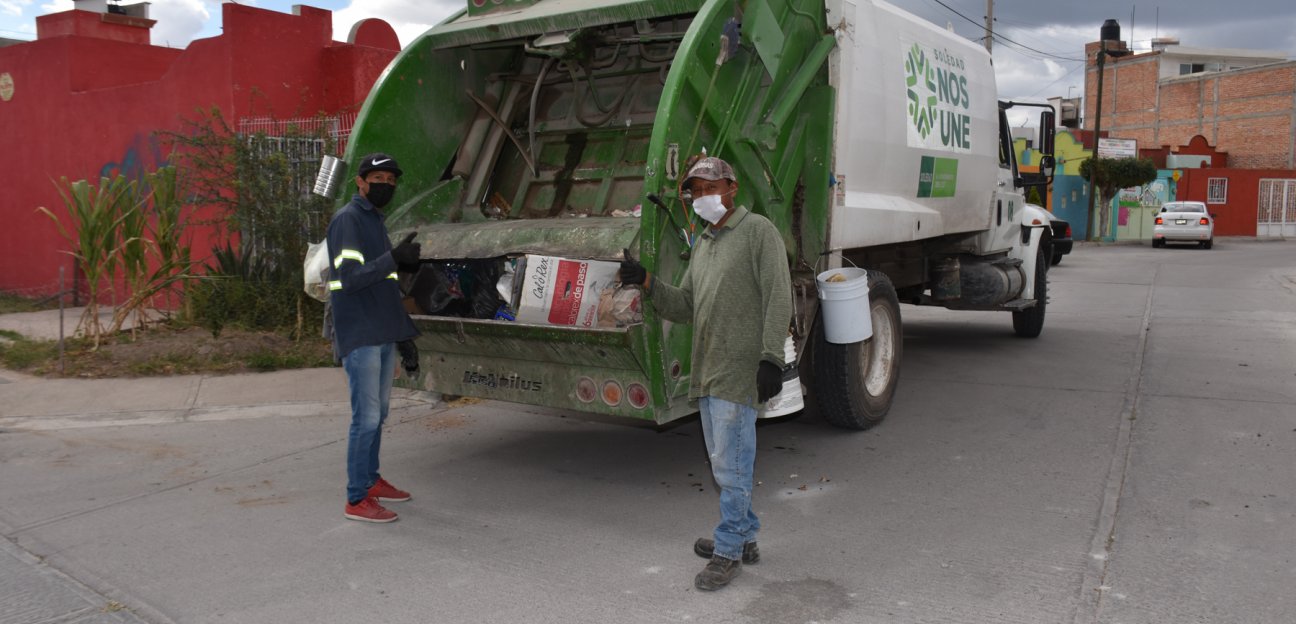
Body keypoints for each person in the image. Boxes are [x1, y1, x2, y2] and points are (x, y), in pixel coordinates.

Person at [619, 156, 792, 591]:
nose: (702, 197)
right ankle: (745, 534)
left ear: (732, 188)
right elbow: (684, 305)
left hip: (738, 370)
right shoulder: (705, 243)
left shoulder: (758, 233)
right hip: (708, 370)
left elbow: (779, 296)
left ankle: (729, 550)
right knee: (724, 463)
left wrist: (772, 357)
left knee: (731, 466)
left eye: (710, 188)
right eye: (695, 191)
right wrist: (646, 281)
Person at [327, 152, 423, 523]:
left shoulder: (374, 221)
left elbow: (385, 286)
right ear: (360, 182)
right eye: (379, 179)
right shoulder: (348, 221)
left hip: (381, 331)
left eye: (392, 181)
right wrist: (392, 258)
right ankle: (356, 498)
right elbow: (349, 279)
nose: (386, 186)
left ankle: (370, 480)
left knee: (378, 414)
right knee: (365, 418)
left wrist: (404, 335)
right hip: (360, 333)